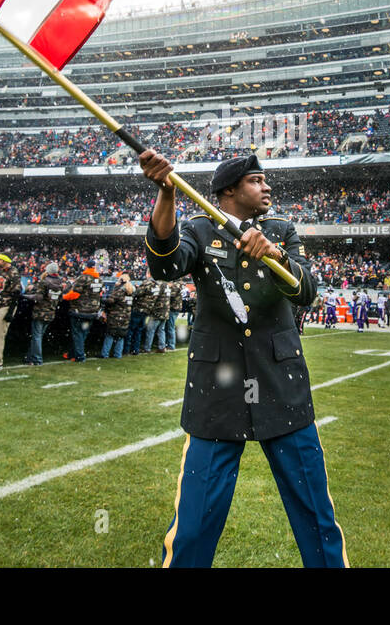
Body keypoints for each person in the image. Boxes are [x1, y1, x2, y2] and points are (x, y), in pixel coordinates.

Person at [140, 149, 345, 568]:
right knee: (193, 525)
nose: (266, 187)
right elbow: (164, 265)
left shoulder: (281, 230)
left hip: (280, 384)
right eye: (256, 180)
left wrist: (275, 256)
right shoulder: (198, 228)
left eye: (265, 180)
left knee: (316, 517)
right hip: (217, 388)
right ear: (229, 191)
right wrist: (166, 195)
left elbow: (307, 291)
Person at [0, 254, 22, 370]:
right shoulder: (3, 272)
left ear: (5, 260)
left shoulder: (13, 273)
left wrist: (10, 312)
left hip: (5, 306)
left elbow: (17, 293)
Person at [63, 260, 103, 362]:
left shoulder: (83, 278)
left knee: (77, 334)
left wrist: (63, 296)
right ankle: (73, 353)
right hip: (93, 311)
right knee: (83, 334)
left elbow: (75, 294)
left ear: (87, 267)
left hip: (80, 310)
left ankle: (80, 356)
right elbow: (100, 294)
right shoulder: (99, 279)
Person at [25, 261, 63, 366]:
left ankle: (37, 359)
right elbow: (60, 299)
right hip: (51, 312)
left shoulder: (44, 282)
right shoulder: (60, 283)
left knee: (36, 336)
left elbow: (38, 298)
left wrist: (26, 296)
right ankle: (30, 357)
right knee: (39, 336)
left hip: (40, 312)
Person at [100, 271, 135, 359]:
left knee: (110, 335)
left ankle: (105, 354)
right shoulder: (131, 292)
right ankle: (118, 354)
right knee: (120, 336)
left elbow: (110, 301)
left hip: (116, 316)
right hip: (126, 317)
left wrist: (101, 299)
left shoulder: (119, 291)